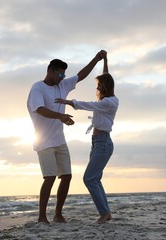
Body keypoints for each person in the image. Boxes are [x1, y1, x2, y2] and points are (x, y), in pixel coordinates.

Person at [27, 50, 106, 224]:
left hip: (59, 140)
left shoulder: (62, 85)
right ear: (50, 71)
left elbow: (81, 75)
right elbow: (39, 109)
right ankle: (41, 216)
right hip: (43, 141)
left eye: (64, 74)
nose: (62, 77)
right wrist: (60, 116)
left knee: (67, 176)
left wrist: (96, 59)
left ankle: (58, 214)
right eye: (60, 73)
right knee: (49, 177)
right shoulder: (37, 88)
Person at [55, 52, 119, 224]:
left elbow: (89, 105)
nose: (97, 89)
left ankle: (104, 213)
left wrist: (69, 102)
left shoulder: (109, 102)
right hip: (97, 142)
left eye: (99, 86)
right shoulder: (106, 98)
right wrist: (105, 60)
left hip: (103, 143)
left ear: (105, 87)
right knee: (95, 178)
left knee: (89, 178)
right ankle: (106, 212)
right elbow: (107, 77)